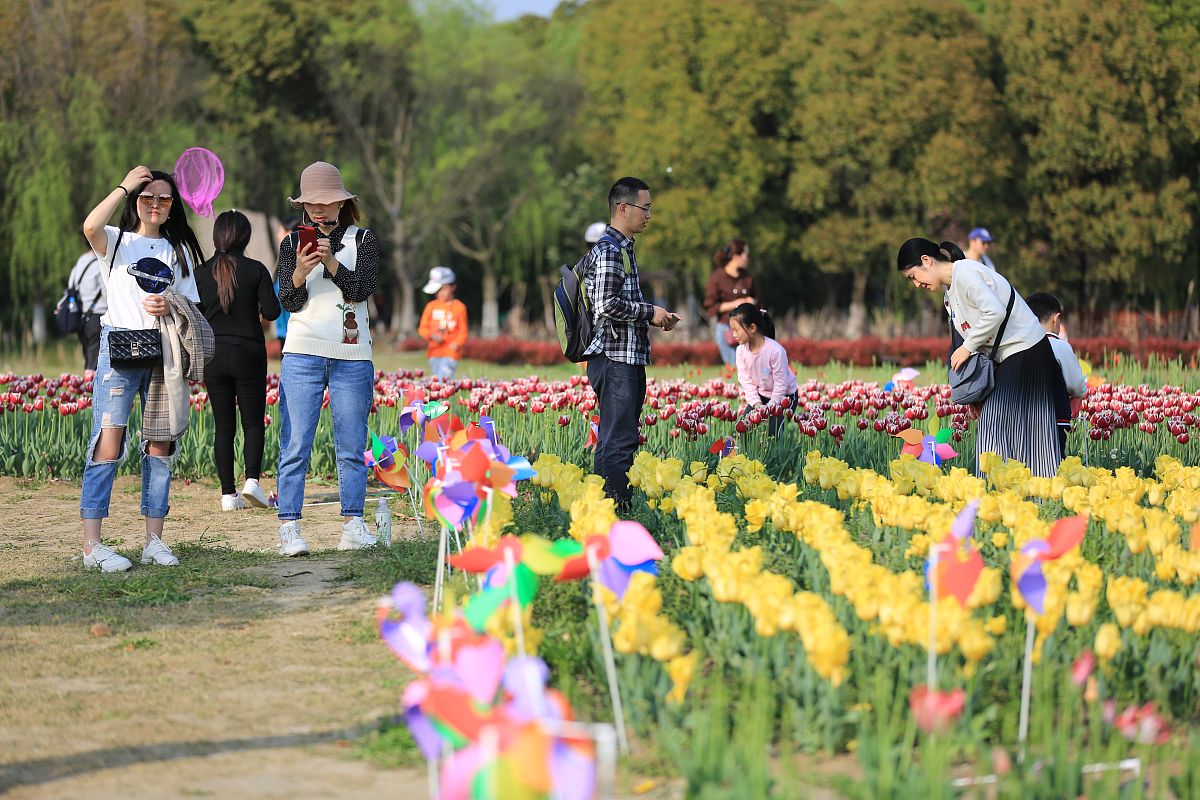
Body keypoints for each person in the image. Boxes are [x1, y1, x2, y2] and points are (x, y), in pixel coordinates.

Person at [79, 165, 205, 571]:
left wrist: (171, 304)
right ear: (136, 201)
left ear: (172, 207)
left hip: (162, 354)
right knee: (107, 441)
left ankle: (154, 540)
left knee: (160, 444)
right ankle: (92, 547)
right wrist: (124, 185)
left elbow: (193, 306)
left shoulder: (178, 251)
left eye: (163, 199)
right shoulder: (116, 242)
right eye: (147, 197)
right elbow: (90, 225)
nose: (155, 204)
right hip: (118, 350)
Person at [274, 161, 380, 556]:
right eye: (311, 204)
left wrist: (331, 263)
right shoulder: (290, 244)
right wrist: (300, 271)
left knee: (351, 444)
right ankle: (290, 526)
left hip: (352, 355)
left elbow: (361, 290)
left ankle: (353, 523)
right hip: (302, 352)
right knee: (296, 442)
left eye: (327, 202)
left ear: (342, 203)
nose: (319, 210)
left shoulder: (363, 240)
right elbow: (288, 300)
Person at [898, 238, 1065, 478]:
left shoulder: (964, 272)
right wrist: (977, 393)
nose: (916, 284)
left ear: (926, 261)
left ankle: (1023, 494)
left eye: (913, 276)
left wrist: (967, 347)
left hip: (1028, 351)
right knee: (1003, 427)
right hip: (1009, 357)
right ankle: (1009, 495)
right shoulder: (950, 296)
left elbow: (994, 312)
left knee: (1006, 428)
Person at [583, 176, 679, 507]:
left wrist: (653, 317)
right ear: (623, 208)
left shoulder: (622, 249)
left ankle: (610, 505)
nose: (649, 214)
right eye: (645, 207)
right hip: (614, 359)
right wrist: (650, 312)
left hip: (625, 356)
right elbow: (606, 305)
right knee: (618, 438)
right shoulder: (610, 250)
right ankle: (613, 508)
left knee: (619, 436)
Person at [196, 210, 281, 511]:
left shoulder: (201, 272)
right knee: (253, 422)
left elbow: (195, 315)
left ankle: (227, 495)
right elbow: (271, 312)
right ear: (245, 237)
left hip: (214, 356)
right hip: (249, 354)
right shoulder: (257, 270)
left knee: (223, 427)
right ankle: (253, 483)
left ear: (217, 236)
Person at [1025, 291, 1086, 455]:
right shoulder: (1060, 347)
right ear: (1055, 318)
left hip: (1022, 419)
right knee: (1053, 461)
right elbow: (1076, 386)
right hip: (1055, 418)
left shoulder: (1018, 347)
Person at [729, 303, 797, 436]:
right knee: (743, 429)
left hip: (785, 396)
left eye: (736, 330)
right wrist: (756, 404)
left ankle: (777, 456)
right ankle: (747, 456)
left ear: (752, 328)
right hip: (761, 396)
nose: (733, 335)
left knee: (773, 432)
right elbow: (745, 380)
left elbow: (780, 384)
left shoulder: (776, 351)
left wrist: (771, 406)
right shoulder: (741, 351)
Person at [703, 240, 757, 367]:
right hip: (727, 329)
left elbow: (758, 300)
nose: (748, 259)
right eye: (746, 255)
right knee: (736, 369)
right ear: (736, 256)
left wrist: (752, 302)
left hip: (748, 330)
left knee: (751, 369)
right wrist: (736, 303)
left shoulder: (747, 278)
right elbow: (710, 306)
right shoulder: (717, 278)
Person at [62, 231, 108, 371]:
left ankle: (85, 388)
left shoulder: (80, 262)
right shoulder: (100, 264)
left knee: (88, 354)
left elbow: (71, 287)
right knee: (95, 360)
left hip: (80, 317)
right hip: (98, 315)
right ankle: (89, 389)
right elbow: (107, 291)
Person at [418, 266, 468, 380]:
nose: (440, 293)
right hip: (434, 352)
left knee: (443, 380)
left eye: (443, 289)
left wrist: (457, 344)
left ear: (453, 287)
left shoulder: (460, 307)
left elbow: (463, 332)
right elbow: (422, 329)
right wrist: (431, 335)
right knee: (437, 381)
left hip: (451, 352)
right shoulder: (431, 306)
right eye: (437, 290)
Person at [273, 216, 300, 351]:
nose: (278, 235)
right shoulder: (285, 259)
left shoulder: (293, 262)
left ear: (289, 234)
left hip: (293, 330)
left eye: (280, 231)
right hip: (284, 329)